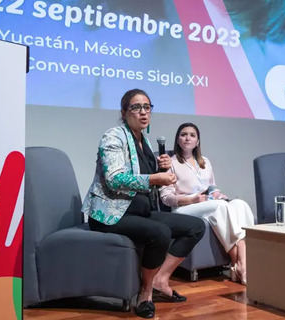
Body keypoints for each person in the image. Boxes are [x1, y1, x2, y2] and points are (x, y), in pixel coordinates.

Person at [81, 89, 205, 318]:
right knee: (160, 232)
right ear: (124, 112)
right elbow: (114, 178)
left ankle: (160, 279)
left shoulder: (144, 141)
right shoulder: (114, 136)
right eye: (136, 107)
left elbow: (146, 182)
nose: (143, 112)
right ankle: (145, 293)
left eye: (147, 107)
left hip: (138, 211)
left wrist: (161, 171)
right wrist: (154, 178)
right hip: (111, 213)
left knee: (196, 227)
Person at [160, 123, 255, 285]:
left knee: (240, 204)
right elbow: (166, 197)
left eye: (192, 135)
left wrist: (217, 193)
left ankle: (240, 264)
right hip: (183, 209)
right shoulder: (171, 163)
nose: (187, 138)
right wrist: (192, 199)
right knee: (220, 207)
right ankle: (239, 264)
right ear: (177, 139)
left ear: (197, 141)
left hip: (206, 204)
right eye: (183, 134)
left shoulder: (205, 162)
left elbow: (211, 187)